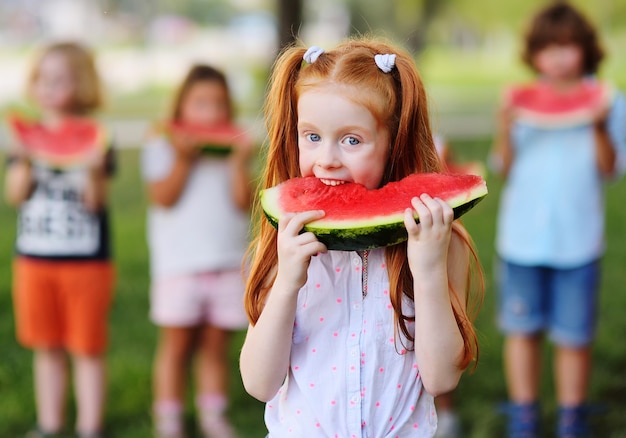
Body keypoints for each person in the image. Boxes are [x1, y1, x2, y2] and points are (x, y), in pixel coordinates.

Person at [239, 37, 484, 437]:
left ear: (393, 144)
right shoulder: (284, 242)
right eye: (312, 136)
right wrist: (286, 283)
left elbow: (441, 379)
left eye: (352, 140)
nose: (327, 158)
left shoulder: (440, 242)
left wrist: (427, 273)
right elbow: (258, 383)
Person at [491, 3, 626, 437]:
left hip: (578, 241)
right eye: (549, 48)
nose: (560, 57)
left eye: (569, 46)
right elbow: (505, 167)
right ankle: (523, 416)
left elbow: (610, 170)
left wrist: (599, 124)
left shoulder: (610, 101)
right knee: (522, 330)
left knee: (573, 336)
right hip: (521, 239)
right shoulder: (519, 101)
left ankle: (572, 419)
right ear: (535, 55)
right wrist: (503, 127)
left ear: (585, 50)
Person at [4, 42, 115, 438]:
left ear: (82, 85)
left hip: (86, 261)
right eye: (42, 78)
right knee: (45, 346)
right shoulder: (26, 137)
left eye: (60, 79)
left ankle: (91, 426)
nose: (49, 87)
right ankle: (49, 424)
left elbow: (95, 202)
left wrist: (95, 170)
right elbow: (14, 195)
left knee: (87, 348)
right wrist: (23, 159)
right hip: (34, 259)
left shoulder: (99, 136)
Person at [141, 64, 254, 438]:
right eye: (200, 103)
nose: (210, 113)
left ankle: (212, 416)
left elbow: (244, 203)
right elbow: (163, 197)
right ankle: (169, 419)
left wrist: (239, 162)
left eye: (218, 104)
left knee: (215, 346)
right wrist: (183, 159)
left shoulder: (232, 149)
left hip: (227, 263)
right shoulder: (160, 144)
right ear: (180, 107)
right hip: (179, 266)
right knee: (175, 346)